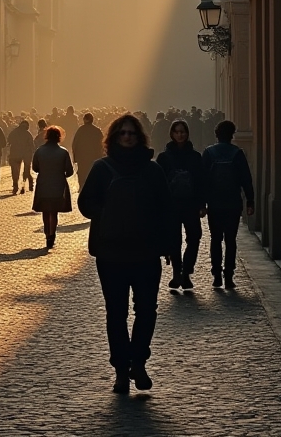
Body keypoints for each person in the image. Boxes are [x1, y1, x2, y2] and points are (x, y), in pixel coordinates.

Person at [78, 112, 176, 395]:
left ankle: (138, 360)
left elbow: (166, 209)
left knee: (147, 310)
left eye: (132, 133)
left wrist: (170, 245)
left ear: (140, 137)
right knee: (116, 313)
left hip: (146, 251)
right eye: (123, 133)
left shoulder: (152, 169)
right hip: (112, 253)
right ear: (114, 137)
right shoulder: (101, 168)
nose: (128, 138)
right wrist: (109, 214)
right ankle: (121, 370)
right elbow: (85, 204)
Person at [202, 118, 255, 289]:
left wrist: (202, 203)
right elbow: (246, 179)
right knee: (230, 240)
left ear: (216, 134)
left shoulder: (209, 153)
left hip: (215, 203)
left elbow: (202, 180)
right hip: (233, 202)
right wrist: (250, 200)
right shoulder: (237, 153)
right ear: (232, 135)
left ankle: (216, 274)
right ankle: (229, 275)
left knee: (215, 239)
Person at [156, 118, 206, 291]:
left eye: (182, 131)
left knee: (194, 237)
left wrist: (202, 203)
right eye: (177, 132)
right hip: (171, 206)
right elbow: (159, 184)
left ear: (187, 133)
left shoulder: (195, 157)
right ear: (172, 134)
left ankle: (186, 270)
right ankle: (178, 272)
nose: (180, 134)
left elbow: (201, 181)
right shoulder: (163, 158)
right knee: (174, 240)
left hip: (191, 204)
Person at [32, 125, 74, 249]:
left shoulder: (39, 151)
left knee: (45, 211)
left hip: (43, 184)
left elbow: (35, 168)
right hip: (58, 185)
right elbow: (70, 171)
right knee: (54, 212)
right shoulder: (63, 152)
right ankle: (52, 234)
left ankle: (47, 234)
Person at [71, 112, 104, 191]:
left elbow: (74, 144)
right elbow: (102, 144)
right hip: (95, 157)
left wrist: (75, 158)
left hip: (82, 158)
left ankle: (82, 188)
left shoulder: (80, 130)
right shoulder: (97, 131)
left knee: (82, 174)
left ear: (84, 120)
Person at [8, 118, 35, 194]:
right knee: (26, 170)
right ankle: (27, 184)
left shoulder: (14, 132)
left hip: (15, 154)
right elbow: (32, 146)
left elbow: (9, 141)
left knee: (15, 171)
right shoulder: (28, 134)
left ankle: (15, 186)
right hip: (26, 154)